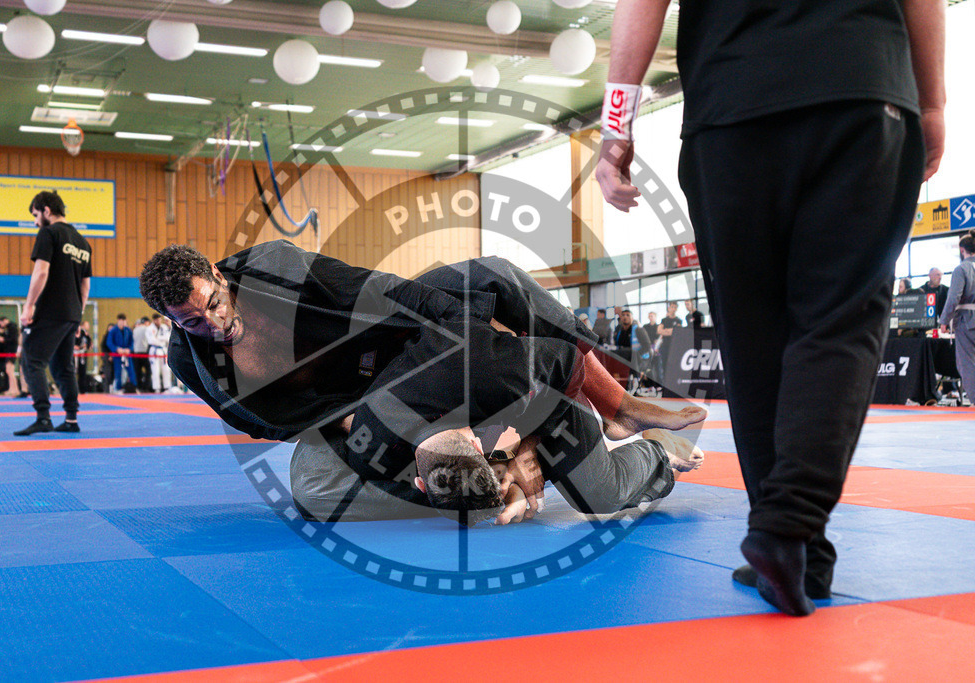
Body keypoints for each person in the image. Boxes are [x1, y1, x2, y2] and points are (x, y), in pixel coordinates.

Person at [597, 0, 943, 616]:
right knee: (840, 318)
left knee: (750, 334)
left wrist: (614, 126)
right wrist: (933, 101)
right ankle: (790, 530)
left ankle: (791, 543)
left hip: (731, 108)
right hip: (859, 86)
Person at [139, 241, 706, 444]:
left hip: (380, 332)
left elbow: (375, 288)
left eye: (212, 305)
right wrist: (346, 427)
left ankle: (619, 406)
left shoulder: (271, 268)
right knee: (471, 366)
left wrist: (454, 320)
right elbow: (258, 422)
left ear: (218, 276)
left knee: (494, 273)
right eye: (191, 323)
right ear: (171, 322)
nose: (212, 324)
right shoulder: (190, 363)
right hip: (359, 404)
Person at [341, 317, 703, 525]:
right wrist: (504, 486)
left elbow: (566, 362)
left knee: (600, 493)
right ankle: (502, 470)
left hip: (549, 390)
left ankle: (655, 452)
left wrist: (527, 449)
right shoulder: (369, 442)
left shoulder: (486, 370)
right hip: (492, 411)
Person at [15, 190, 92, 435]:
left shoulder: (48, 233)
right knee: (63, 366)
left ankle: (43, 416)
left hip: (51, 310)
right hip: (71, 313)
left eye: (36, 215)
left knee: (31, 361)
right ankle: (71, 419)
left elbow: (41, 272)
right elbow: (85, 285)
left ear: (47, 210)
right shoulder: (83, 242)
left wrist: (28, 306)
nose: (36, 221)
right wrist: (78, 315)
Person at [940, 231, 975, 404]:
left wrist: (944, 321)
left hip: (968, 321)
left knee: (967, 364)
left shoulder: (961, 269)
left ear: (962, 250)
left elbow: (953, 298)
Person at [106, 314, 137, 393]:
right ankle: (118, 388)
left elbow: (132, 342)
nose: (122, 322)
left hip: (126, 354)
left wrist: (129, 349)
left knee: (131, 371)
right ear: (118, 321)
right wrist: (116, 349)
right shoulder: (113, 330)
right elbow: (109, 342)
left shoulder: (128, 330)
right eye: (121, 320)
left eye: (123, 320)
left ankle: (133, 387)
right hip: (117, 355)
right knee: (118, 371)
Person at [145, 314, 172, 393]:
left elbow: (168, 338)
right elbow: (151, 340)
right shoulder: (149, 329)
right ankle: (157, 388)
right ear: (153, 320)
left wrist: (159, 339)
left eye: (160, 319)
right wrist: (161, 340)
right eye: (157, 320)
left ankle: (167, 387)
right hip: (154, 350)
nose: (159, 321)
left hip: (163, 350)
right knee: (155, 370)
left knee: (166, 369)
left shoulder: (164, 327)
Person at [0, 316, 20, 396]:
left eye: (1, 323)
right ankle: (12, 388)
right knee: (9, 371)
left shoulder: (12, 327)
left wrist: (3, 339)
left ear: (4, 321)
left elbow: (14, 339)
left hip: (11, 351)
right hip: (9, 351)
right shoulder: (9, 328)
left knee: (10, 370)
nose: (1, 326)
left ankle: (15, 389)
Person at [132, 316, 152, 392]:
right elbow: (149, 341)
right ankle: (146, 387)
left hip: (136, 353)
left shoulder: (135, 330)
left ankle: (139, 387)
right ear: (146, 322)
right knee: (148, 371)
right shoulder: (147, 329)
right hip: (145, 353)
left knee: (138, 372)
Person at [74, 321, 91, 393]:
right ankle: (73, 389)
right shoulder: (72, 331)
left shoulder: (84, 333)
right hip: (73, 354)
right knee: (72, 372)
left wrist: (87, 346)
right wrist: (74, 346)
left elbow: (89, 341)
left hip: (82, 354)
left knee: (82, 372)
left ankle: (82, 390)